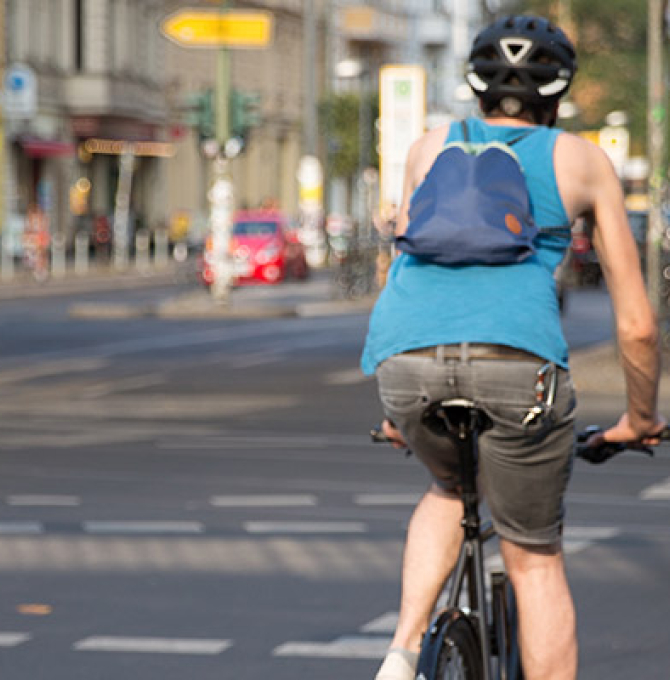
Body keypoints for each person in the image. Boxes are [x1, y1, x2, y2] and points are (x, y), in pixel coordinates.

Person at [361, 15, 665, 680]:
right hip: (517, 368)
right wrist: (639, 419)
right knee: (534, 557)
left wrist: (397, 410)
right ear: (557, 95)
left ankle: (401, 649)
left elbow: (409, 269)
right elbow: (638, 324)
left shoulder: (429, 146)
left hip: (406, 359)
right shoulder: (581, 160)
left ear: (475, 90)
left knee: (449, 487)